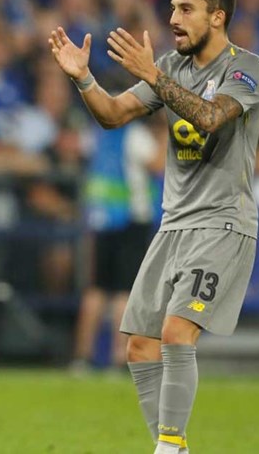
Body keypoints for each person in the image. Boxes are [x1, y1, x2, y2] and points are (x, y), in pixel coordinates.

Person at [50, 0, 259, 454]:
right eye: (172, 7)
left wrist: (152, 74)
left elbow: (210, 117)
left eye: (186, 9)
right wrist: (83, 79)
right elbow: (112, 115)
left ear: (217, 16)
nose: (173, 18)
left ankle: (167, 447)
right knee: (140, 344)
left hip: (222, 222)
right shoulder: (171, 65)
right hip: (173, 224)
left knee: (175, 331)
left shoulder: (245, 68)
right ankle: (173, 448)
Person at [70, 114, 164, 374]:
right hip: (132, 220)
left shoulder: (97, 133)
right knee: (125, 290)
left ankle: (81, 357)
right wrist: (165, 136)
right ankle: (118, 357)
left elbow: (77, 151)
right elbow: (158, 165)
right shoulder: (136, 135)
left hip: (100, 219)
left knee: (96, 289)